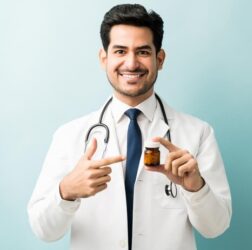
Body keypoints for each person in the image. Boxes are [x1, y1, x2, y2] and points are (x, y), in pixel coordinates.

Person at [27, 3, 231, 250]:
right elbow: (43, 230)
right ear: (104, 58)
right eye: (120, 51)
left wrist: (197, 189)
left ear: (160, 59)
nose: (131, 63)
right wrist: (66, 191)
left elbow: (216, 228)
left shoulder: (198, 133)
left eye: (143, 52)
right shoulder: (70, 135)